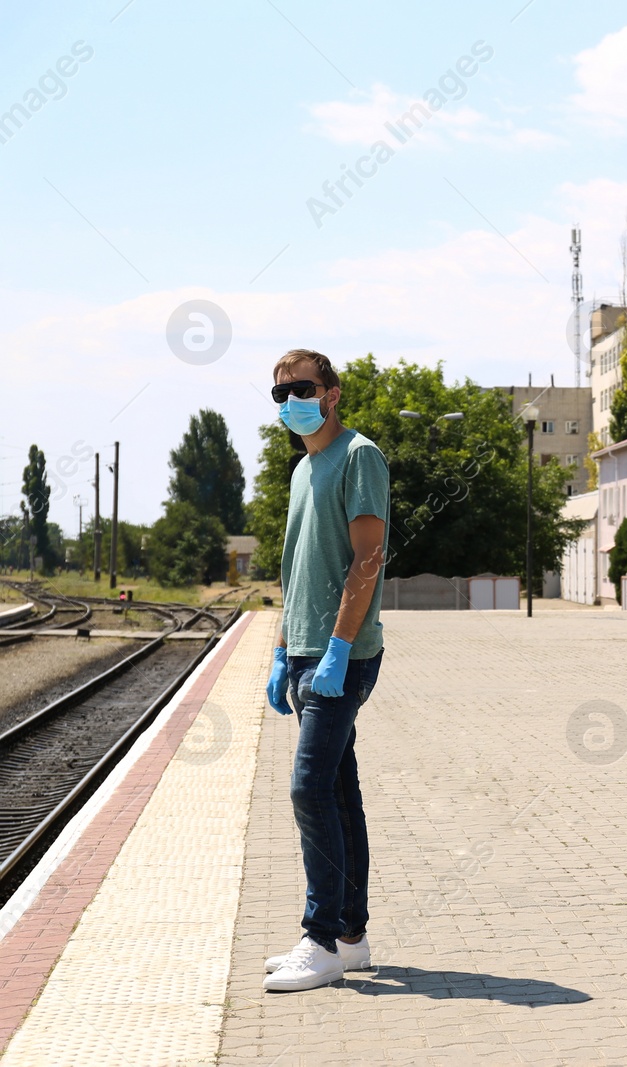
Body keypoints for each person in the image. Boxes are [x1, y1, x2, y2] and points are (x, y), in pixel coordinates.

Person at [262, 349, 390, 991]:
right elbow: (294, 570)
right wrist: (284, 648)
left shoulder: (359, 455)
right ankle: (351, 937)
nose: (291, 402)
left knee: (307, 790)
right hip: (307, 651)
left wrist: (339, 650)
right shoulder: (302, 468)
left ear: (332, 393)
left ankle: (319, 940)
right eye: (280, 393)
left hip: (344, 654)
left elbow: (368, 556)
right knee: (340, 796)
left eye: (302, 388)